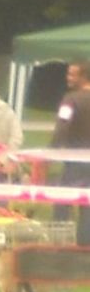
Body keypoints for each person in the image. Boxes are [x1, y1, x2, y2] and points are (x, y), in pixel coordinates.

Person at [52, 59, 90, 246]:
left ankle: (59, 244)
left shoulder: (71, 99)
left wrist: (51, 152)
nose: (68, 78)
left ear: (83, 76)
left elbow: (62, 128)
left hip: (74, 162)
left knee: (62, 202)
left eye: (72, 74)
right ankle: (85, 249)